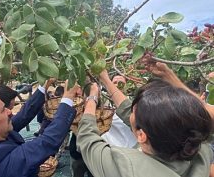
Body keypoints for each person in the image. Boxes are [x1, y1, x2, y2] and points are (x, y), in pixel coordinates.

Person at [77, 62, 213, 177]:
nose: (129, 110)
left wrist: (92, 98)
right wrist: (106, 81)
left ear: (141, 135)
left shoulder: (126, 168)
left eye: (134, 111)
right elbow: (127, 109)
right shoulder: (200, 148)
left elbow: (87, 140)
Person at [0, 80, 79, 177]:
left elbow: (23, 116)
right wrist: (68, 97)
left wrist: (43, 86)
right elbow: (47, 142)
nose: (9, 112)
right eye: (3, 110)